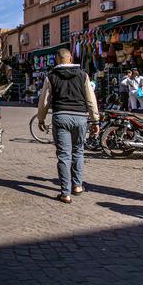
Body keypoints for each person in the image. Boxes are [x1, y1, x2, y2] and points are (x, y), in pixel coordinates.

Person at [37, 49, 100, 203]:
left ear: (57, 60)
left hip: (61, 117)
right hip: (80, 118)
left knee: (64, 155)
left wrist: (41, 118)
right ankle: (77, 185)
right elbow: (91, 99)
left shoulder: (51, 77)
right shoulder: (83, 75)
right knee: (78, 151)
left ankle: (65, 193)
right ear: (71, 58)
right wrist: (95, 120)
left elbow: (44, 101)